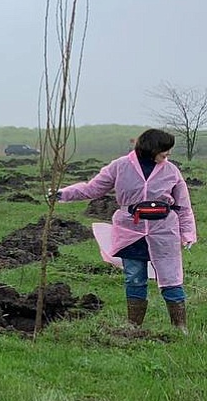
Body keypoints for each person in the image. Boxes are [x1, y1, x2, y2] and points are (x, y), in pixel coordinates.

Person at [55, 128, 196, 332]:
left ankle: (180, 328)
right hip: (131, 232)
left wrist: (187, 233)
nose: (168, 154)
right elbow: (92, 188)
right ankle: (133, 327)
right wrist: (62, 194)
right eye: (165, 149)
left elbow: (183, 205)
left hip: (164, 233)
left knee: (171, 279)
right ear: (151, 149)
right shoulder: (120, 166)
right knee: (134, 278)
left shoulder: (171, 170)